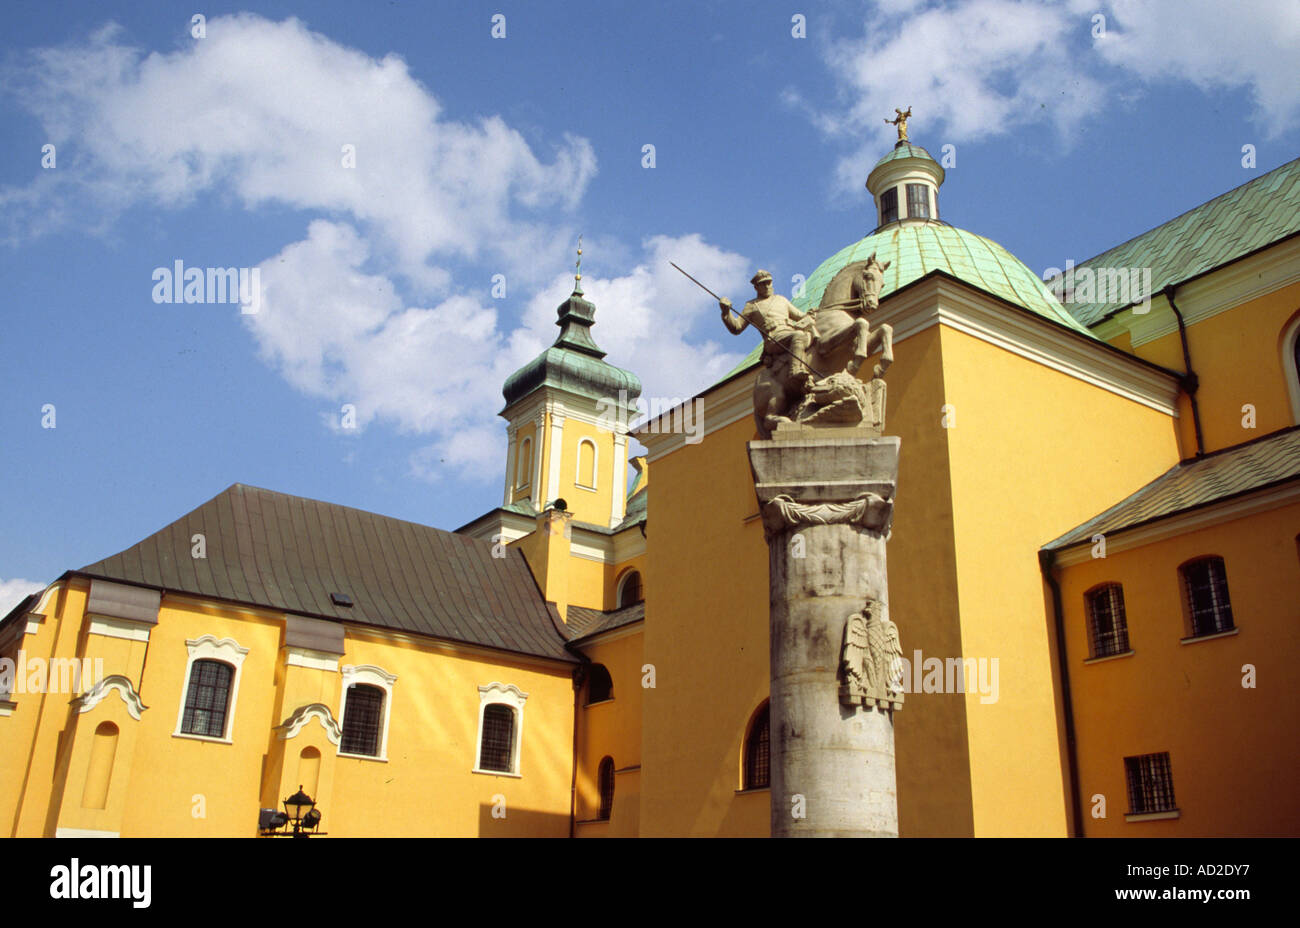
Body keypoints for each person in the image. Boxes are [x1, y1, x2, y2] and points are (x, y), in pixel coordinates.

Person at [720, 270, 817, 390]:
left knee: (810, 335)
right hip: (773, 338)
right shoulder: (752, 305)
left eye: (769, 283)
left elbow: (800, 316)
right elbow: (736, 327)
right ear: (756, 287)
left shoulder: (781, 299)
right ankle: (795, 370)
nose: (767, 286)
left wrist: (813, 314)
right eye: (763, 284)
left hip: (788, 332)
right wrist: (726, 313)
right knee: (798, 335)